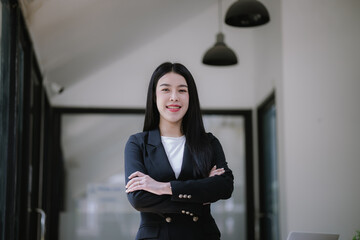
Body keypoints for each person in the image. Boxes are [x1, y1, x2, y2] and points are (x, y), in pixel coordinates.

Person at [124, 62, 234, 240]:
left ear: (191, 97)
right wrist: (200, 194)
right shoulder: (137, 143)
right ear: (154, 96)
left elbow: (224, 186)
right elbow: (138, 198)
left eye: (182, 90)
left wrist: (162, 187)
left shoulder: (208, 142)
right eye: (166, 90)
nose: (174, 97)